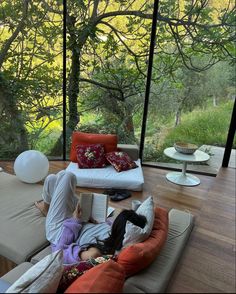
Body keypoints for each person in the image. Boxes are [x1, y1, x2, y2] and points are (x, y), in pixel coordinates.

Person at [35, 170, 147, 264]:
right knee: (52, 179)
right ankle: (51, 211)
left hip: (58, 231)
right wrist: (94, 221)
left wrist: (75, 221)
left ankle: (47, 211)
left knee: (67, 176)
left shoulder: (95, 252)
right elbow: (103, 227)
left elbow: (59, 252)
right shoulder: (117, 235)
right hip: (79, 220)